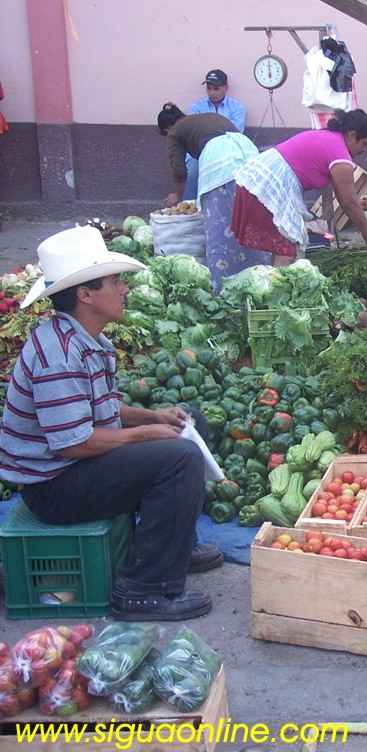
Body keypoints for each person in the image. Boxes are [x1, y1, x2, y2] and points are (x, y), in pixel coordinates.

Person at [0, 227, 221, 621]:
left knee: (190, 422)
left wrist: (154, 417)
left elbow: (102, 408)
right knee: (179, 459)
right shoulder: (60, 355)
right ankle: (143, 591)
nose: (124, 289)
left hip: (76, 466)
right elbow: (73, 444)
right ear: (85, 294)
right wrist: (144, 433)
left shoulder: (87, 340)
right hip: (56, 487)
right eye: (115, 281)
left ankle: (175, 546)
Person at [231, 109, 367, 266]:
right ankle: (277, 287)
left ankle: (274, 282)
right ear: (352, 135)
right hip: (270, 183)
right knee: (288, 247)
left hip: (260, 177)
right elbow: (349, 202)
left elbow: (344, 198)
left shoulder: (330, 139)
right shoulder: (339, 153)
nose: (364, 150)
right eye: (365, 144)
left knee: (283, 244)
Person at [157, 103, 269, 292]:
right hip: (249, 154)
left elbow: (178, 170)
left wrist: (177, 195)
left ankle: (224, 289)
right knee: (251, 219)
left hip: (221, 162)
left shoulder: (175, 132)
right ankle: (260, 279)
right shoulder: (205, 118)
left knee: (221, 225)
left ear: (166, 128)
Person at [183, 69, 247, 201]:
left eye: (216, 88)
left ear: (226, 88)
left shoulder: (237, 108)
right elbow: (192, 133)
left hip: (227, 151)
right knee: (192, 167)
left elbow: (235, 134)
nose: (212, 92)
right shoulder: (197, 107)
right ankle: (188, 207)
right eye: (209, 88)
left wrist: (206, 134)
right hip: (199, 151)